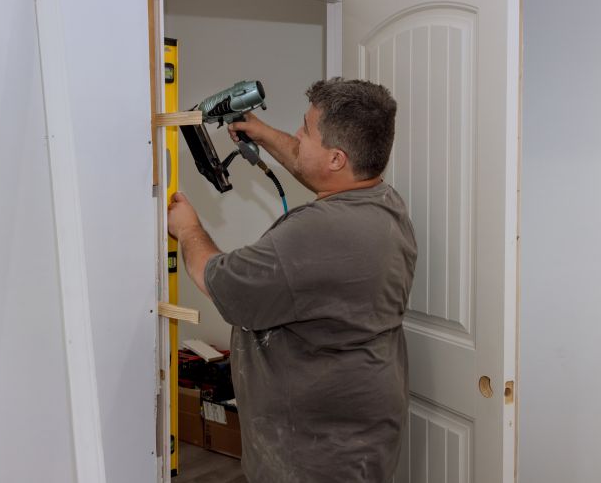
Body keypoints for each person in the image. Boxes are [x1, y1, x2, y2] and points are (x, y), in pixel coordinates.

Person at [167, 78, 418, 482]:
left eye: (305, 129)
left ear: (336, 158)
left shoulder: (317, 234)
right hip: (360, 431)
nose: (297, 135)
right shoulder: (383, 203)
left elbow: (221, 281)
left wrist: (189, 229)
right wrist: (263, 134)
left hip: (314, 454)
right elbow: (320, 172)